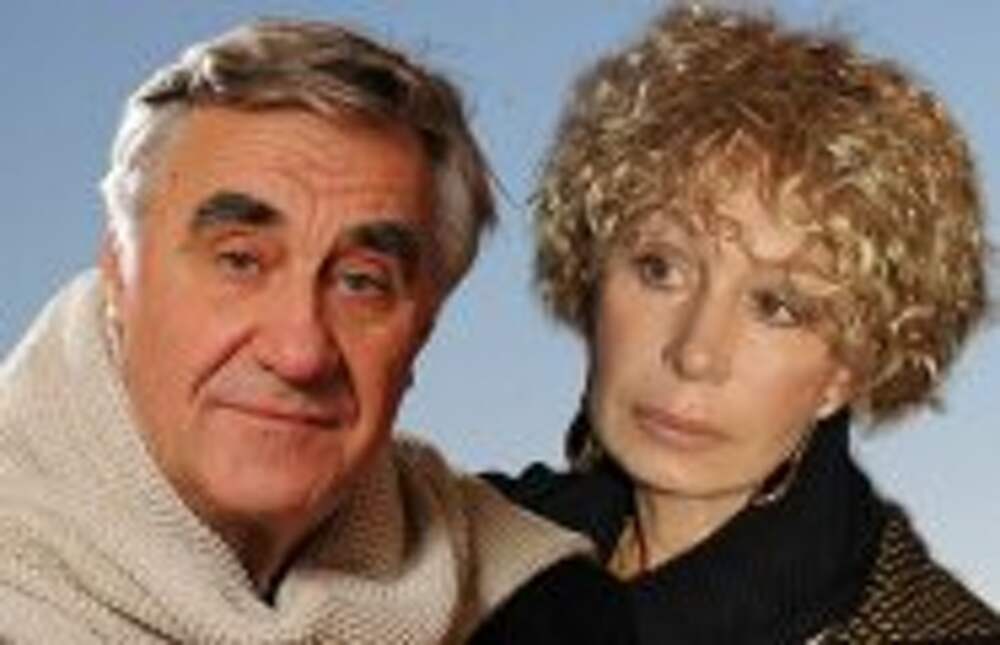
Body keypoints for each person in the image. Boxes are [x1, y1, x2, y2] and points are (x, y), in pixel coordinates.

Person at [0, 19, 634, 644]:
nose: (299, 353)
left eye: (361, 282)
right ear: (119, 271)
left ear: (423, 329)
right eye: (240, 261)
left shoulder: (536, 605)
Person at [488, 5, 1000, 643]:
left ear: (848, 370)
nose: (695, 353)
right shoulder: (470, 559)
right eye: (659, 269)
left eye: (777, 307)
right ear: (593, 269)